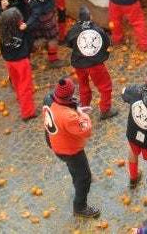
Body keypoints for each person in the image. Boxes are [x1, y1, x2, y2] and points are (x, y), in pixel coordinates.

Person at [43, 77, 100, 219]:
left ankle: (77, 179)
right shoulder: (68, 117)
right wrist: (83, 115)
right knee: (84, 177)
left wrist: (78, 109)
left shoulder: (49, 99)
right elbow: (86, 130)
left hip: (55, 143)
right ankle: (80, 207)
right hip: (70, 150)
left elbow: (64, 108)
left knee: (74, 168)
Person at [65, 5, 117, 120]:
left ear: (79, 18)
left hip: (79, 64)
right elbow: (107, 42)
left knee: (83, 86)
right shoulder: (97, 29)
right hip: (95, 64)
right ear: (90, 17)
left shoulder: (74, 30)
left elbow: (68, 43)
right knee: (105, 86)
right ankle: (105, 109)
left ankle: (84, 108)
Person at [0, 8, 36, 121]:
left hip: (9, 62)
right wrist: (26, 29)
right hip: (21, 61)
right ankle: (27, 112)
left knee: (17, 83)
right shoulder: (20, 31)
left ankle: (21, 100)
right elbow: (29, 42)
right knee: (25, 86)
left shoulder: (2, 32)